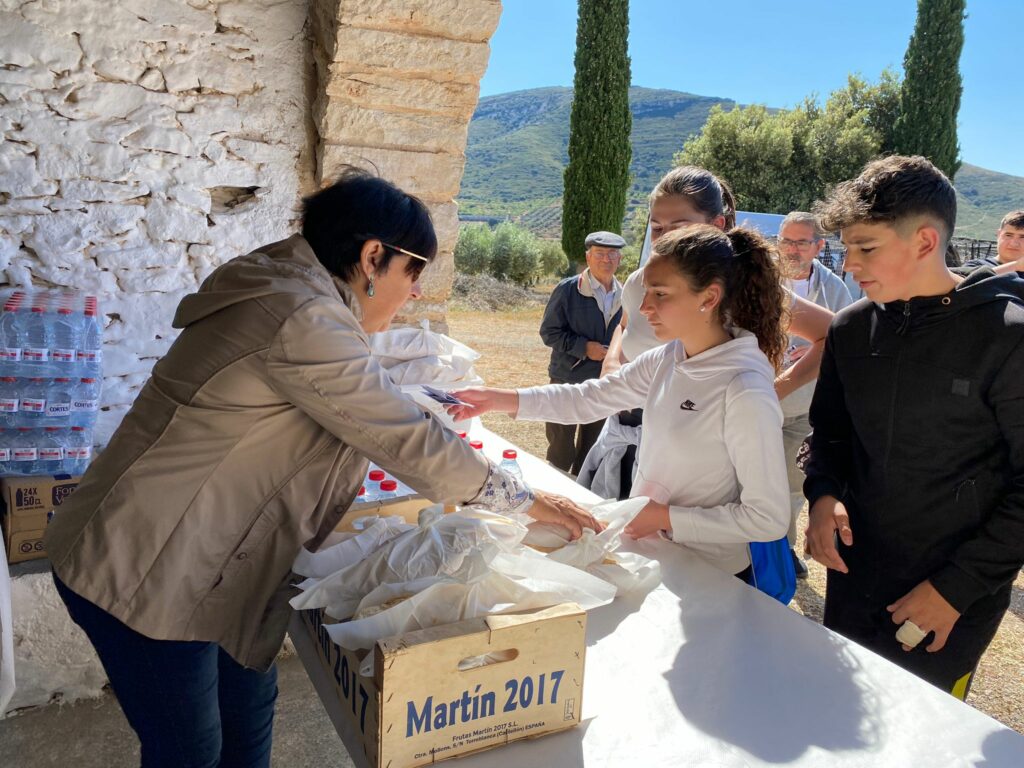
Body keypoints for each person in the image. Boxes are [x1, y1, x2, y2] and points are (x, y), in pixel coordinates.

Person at [43, 168, 599, 768]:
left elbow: (356, 401)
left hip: (202, 557)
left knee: (250, 708)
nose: (415, 293)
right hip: (143, 564)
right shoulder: (300, 315)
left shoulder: (296, 294)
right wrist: (527, 501)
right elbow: (405, 438)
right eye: (414, 273)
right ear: (371, 256)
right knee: (191, 749)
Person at [450, 224, 791, 581]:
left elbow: (766, 518)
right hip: (656, 552)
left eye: (659, 294)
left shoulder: (744, 389)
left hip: (709, 574)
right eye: (646, 291)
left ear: (708, 298)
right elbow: (591, 397)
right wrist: (497, 399)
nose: (644, 307)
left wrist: (663, 517)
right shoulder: (669, 357)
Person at [803, 155, 1024, 699]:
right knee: (842, 709)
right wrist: (823, 495)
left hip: (953, 595)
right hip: (854, 576)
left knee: (925, 735)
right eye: (846, 246)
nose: (848, 263)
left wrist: (956, 590)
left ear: (925, 242)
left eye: (866, 247)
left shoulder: (1009, 336)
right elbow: (829, 436)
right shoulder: (851, 330)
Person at [588, 167, 833, 500]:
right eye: (657, 227)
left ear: (717, 226)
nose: (665, 239)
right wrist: (613, 360)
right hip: (637, 439)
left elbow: (832, 334)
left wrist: (774, 390)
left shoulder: (746, 290)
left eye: (680, 226)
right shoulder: (642, 281)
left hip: (707, 460)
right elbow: (626, 323)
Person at [776, 211, 853, 578]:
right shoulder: (763, 280)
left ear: (819, 246)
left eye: (801, 242)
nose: (792, 249)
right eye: (786, 240)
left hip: (805, 402)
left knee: (793, 482)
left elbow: (842, 341)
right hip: (760, 397)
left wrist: (809, 355)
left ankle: (782, 546)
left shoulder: (835, 288)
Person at [538, 230, 625, 474]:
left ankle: (581, 491)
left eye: (612, 254)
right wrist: (585, 348)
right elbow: (549, 333)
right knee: (560, 445)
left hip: (603, 383)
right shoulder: (567, 290)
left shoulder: (626, 294)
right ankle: (554, 488)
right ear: (588, 258)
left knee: (593, 445)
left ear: (619, 259)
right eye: (599, 254)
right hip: (568, 378)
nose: (606, 260)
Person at [954, 210, 1024, 276]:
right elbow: (966, 282)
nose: (1014, 243)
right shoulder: (975, 266)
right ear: (999, 234)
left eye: (1022, 237)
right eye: (1008, 235)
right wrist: (1015, 266)